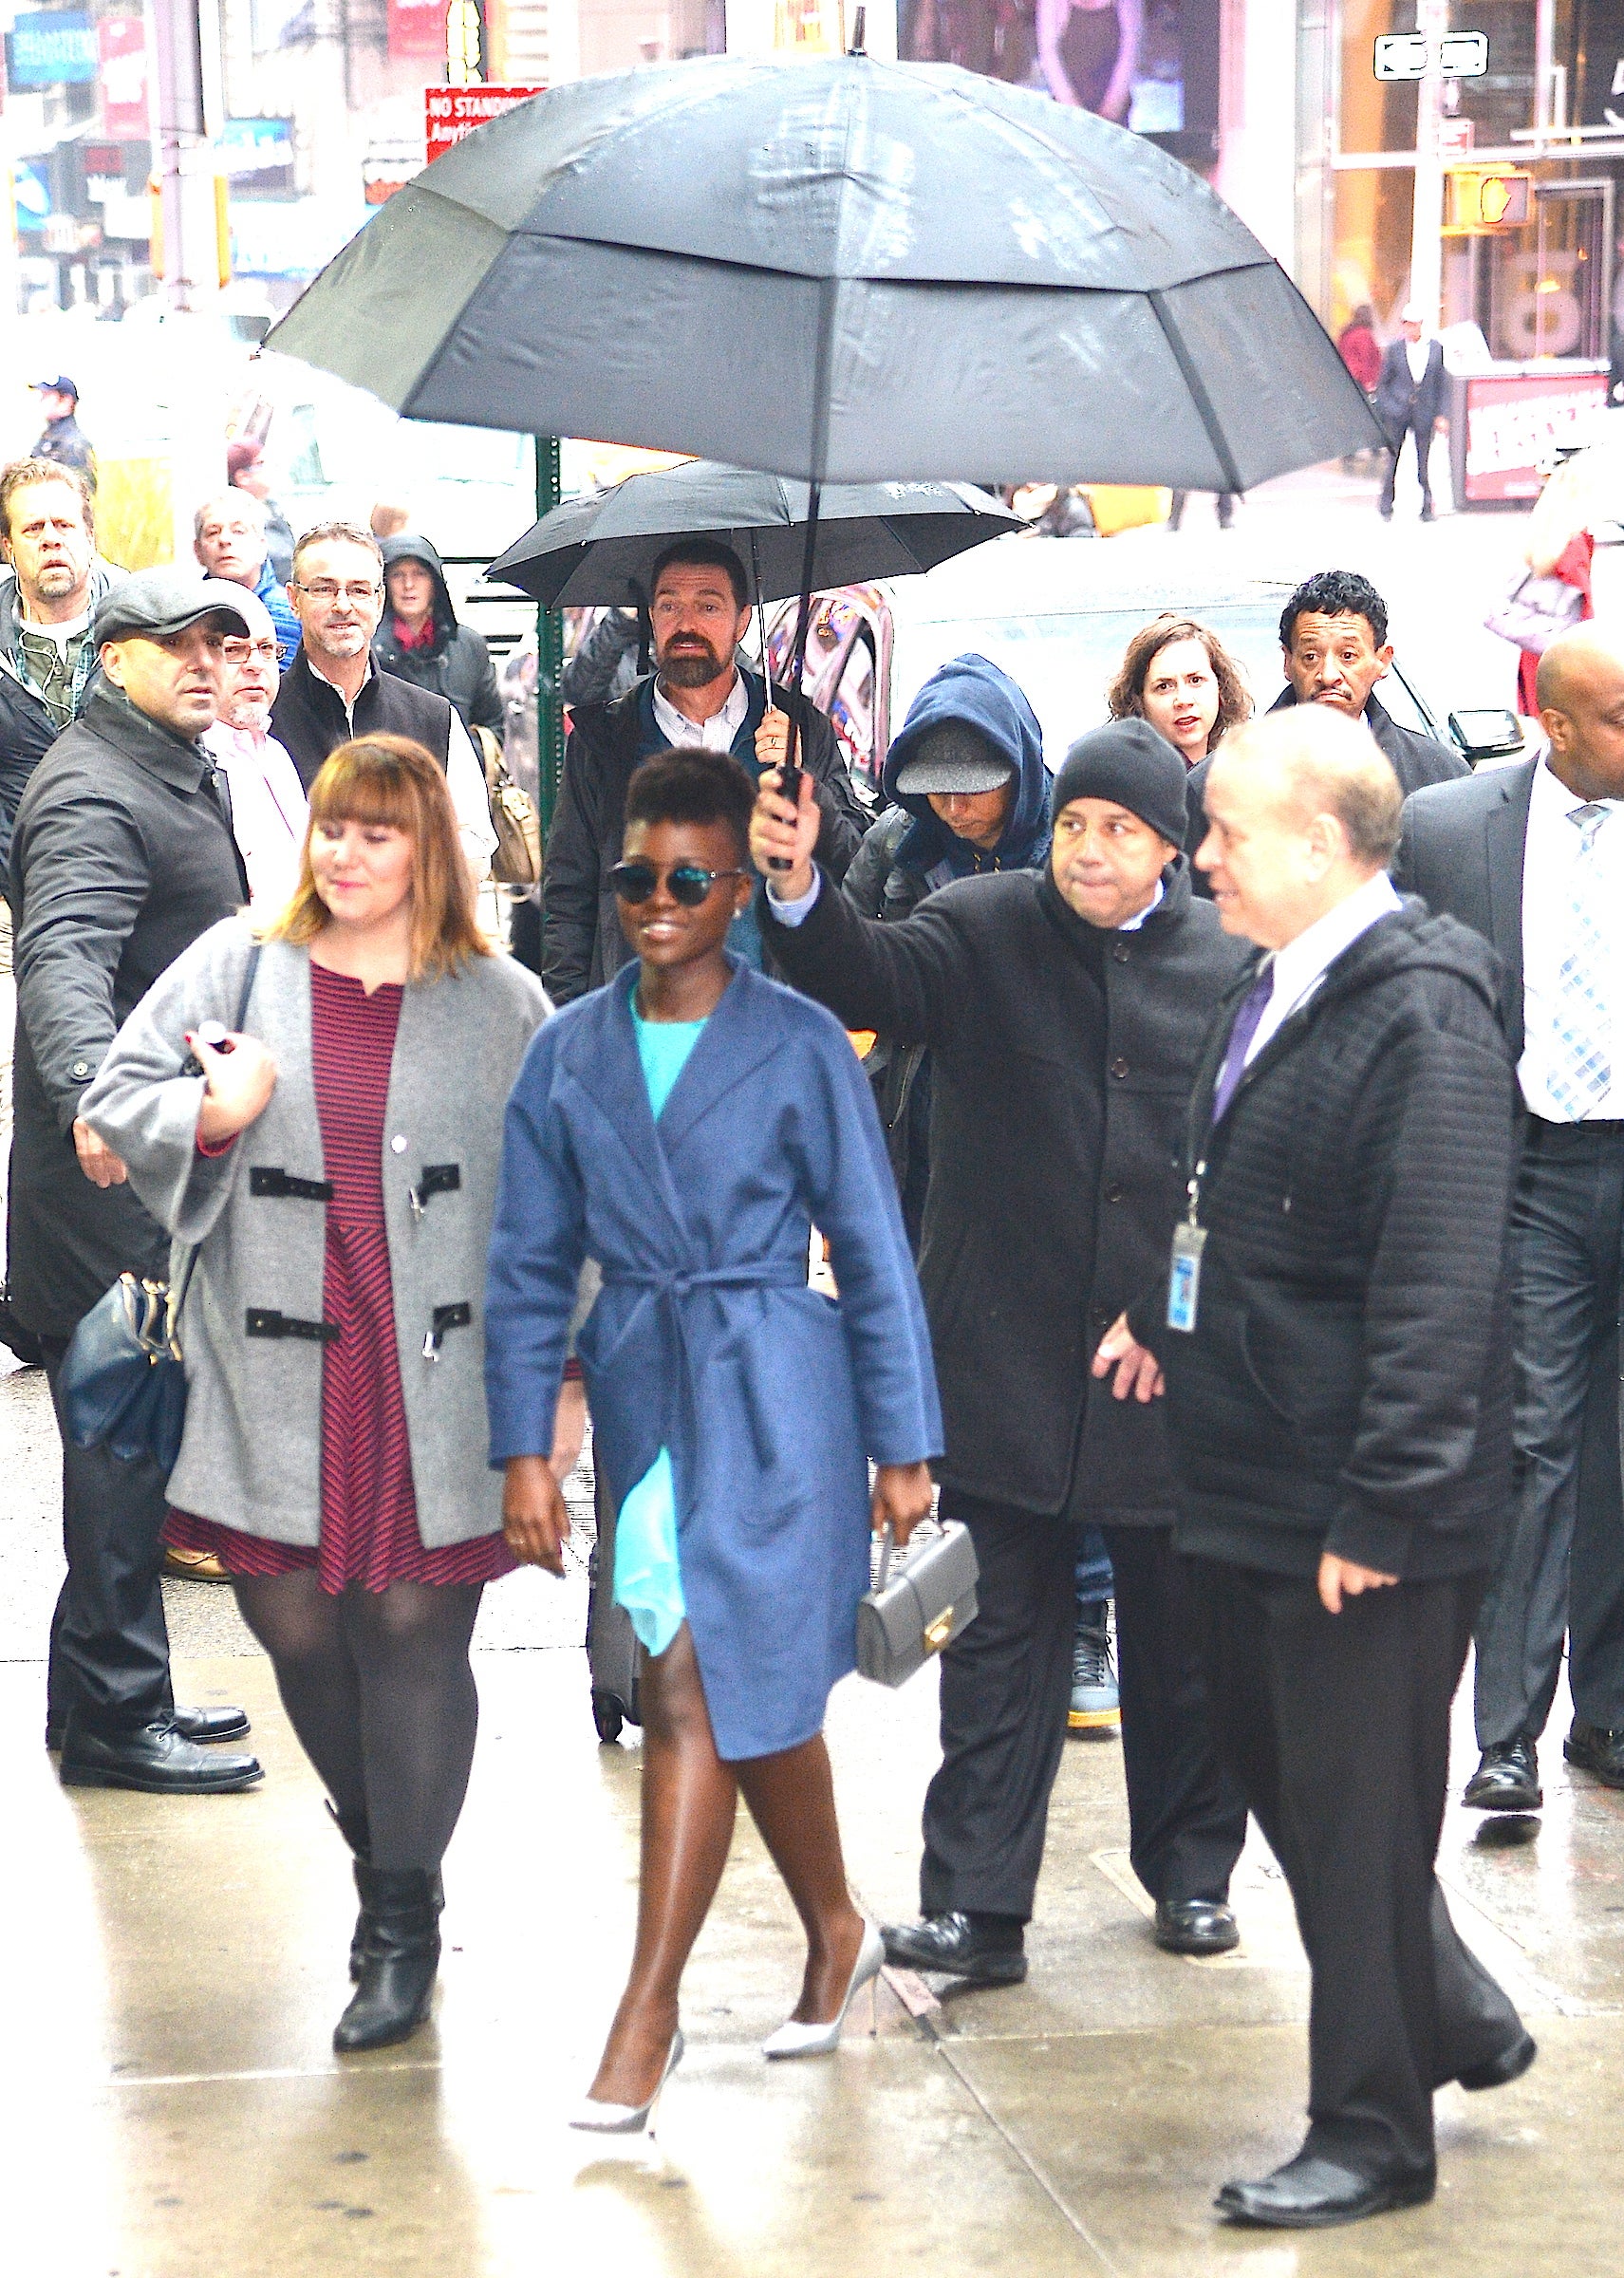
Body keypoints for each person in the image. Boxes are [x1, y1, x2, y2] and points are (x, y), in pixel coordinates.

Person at [1102, 704, 1531, 2231]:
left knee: (1354, 1829)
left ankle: (1370, 2130)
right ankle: (1456, 2015)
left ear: (1314, 842)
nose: (1198, 854)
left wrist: (1388, 1505)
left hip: (1359, 1508)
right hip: (1238, 1466)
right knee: (1292, 1790)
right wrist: (1162, 1320)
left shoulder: (1423, 1015)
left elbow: (1437, 1276)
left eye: (1219, 829)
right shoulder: (1269, 985)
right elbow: (1228, 1193)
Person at [754, 720, 1253, 1977]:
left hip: (1167, 1369)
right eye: (1076, 823)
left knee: (1183, 1647)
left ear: (1169, 848)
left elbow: (1257, 1164)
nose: (1090, 850)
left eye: (1121, 830)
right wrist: (796, 882)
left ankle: (1190, 1874)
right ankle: (979, 1908)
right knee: (992, 1649)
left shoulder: (1230, 961)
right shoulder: (979, 927)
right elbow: (859, 976)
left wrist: (1178, 1302)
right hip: (1000, 1355)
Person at [487, 748, 940, 2131]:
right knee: (707, 1684)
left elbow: (869, 1248)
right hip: (644, 1388)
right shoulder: (566, 1050)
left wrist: (901, 1439)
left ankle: (647, 2010)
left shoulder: (800, 1042)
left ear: (739, 889)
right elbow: (524, 1258)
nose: (659, 901)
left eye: (691, 877)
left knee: (712, 1689)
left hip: (780, 1393)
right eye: (635, 877)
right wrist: (526, 1442)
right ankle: (832, 1922)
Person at [80, 734, 548, 2052]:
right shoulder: (240, 960)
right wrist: (215, 1116)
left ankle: (395, 1916)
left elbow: (565, 1199)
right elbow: (115, 1093)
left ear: (430, 851)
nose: (345, 854)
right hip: (269, 1361)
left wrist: (556, 1377)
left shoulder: (501, 1000)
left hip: (435, 1373)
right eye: (332, 829)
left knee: (409, 1631)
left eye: (379, 832)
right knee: (293, 1629)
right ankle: (394, 1833)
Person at [8, 568, 262, 1795]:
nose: (208, 662)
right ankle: (115, 1722)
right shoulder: (95, 793)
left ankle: (107, 1697)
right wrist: (89, 1100)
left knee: (134, 1460)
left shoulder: (168, 765)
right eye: (180, 645)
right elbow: (61, 955)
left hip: (152, 1180)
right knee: (118, 1472)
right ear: (113, 659)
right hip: (107, 1192)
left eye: (222, 642)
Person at [1394, 625, 1624, 1815]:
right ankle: (1506, 1737)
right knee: (1534, 1445)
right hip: (1531, 1169)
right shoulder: (1450, 830)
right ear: (1555, 722)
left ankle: (1613, 1717)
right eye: (1623, 719)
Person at [541, 537, 869, 1004]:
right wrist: (572, 1023)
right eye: (669, 606)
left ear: (742, 621)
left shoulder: (800, 729)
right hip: (638, 1028)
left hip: (769, 1023)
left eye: (709, 607)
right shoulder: (604, 742)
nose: (687, 624)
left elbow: (855, 866)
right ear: (651, 618)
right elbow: (568, 899)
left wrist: (806, 788)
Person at [842, 653, 1051, 1246]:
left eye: (971, 789)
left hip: (1030, 1120)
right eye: (936, 790)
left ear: (1018, 771)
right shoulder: (895, 846)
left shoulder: (1070, 844)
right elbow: (844, 967)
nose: (953, 809)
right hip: (916, 1111)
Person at [1185, 571, 1465, 871]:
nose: (1328, 674)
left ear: (1381, 660)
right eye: (1310, 657)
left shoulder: (1438, 777)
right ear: (1287, 662)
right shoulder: (1217, 781)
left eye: (1348, 655)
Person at [271, 523, 497, 878]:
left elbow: (475, 845)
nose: (342, 605)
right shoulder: (262, 722)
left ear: (379, 601)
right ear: (294, 600)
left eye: (358, 590)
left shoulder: (432, 718)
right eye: (323, 589)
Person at [0, 457, 122, 871]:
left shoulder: (145, 629)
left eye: (64, 525)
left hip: (124, 869)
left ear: (89, 536)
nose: (51, 540)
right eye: (33, 528)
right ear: (7, 546)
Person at [202, 589, 309, 911]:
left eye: (265, 649)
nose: (256, 666)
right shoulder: (194, 763)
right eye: (235, 650)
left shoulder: (275, 753)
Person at [373, 533, 504, 744]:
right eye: (398, 575)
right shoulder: (364, 649)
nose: (408, 585)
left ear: (435, 583)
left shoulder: (469, 646)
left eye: (420, 574)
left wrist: (462, 760)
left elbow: (492, 725)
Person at [1108, 614, 1252, 770]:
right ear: (1138, 699)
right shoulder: (1128, 781)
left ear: (1221, 686)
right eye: (1164, 686)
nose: (1183, 700)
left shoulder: (1243, 770)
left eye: (1195, 680)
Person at [193, 491, 300, 669]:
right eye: (212, 533)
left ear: (262, 546)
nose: (225, 540)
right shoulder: (186, 617)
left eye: (238, 531)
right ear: (197, 551)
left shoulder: (293, 613)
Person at [1374, 304, 1446, 522]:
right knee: (1393, 458)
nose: (1409, 329)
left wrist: (1440, 414)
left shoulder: (1435, 348)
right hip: (1399, 411)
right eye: (1406, 324)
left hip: (1424, 410)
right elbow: (1383, 384)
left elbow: (1441, 383)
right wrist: (1390, 407)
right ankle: (1386, 505)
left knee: (1423, 460)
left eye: (1413, 325)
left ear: (1420, 325)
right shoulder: (1395, 350)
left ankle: (1426, 507)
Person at [227, 439, 294, 587]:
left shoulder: (273, 509)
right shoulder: (234, 520)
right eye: (261, 463)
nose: (271, 468)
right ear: (242, 477)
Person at [31, 377, 95, 484]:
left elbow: (82, 493)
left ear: (65, 401)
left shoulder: (75, 444)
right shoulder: (49, 438)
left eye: (46, 396)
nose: (41, 401)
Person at [1337, 304, 1382, 399]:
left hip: (1346, 378)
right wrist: (1368, 382)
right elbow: (1366, 359)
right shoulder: (1364, 335)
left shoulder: (1347, 333)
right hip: (1362, 382)